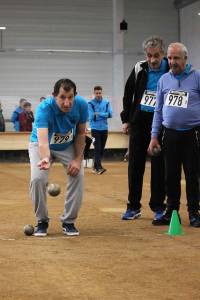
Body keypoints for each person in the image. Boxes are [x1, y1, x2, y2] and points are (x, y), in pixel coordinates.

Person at [149, 42, 200, 227]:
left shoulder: (197, 77)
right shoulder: (163, 80)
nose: (172, 62)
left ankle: (194, 212)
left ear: (185, 59)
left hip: (192, 134)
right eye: (169, 58)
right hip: (169, 134)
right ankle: (171, 212)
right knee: (170, 175)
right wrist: (154, 136)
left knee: (192, 175)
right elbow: (158, 110)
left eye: (176, 58)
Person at [29, 78, 88, 236]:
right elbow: (42, 142)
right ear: (54, 95)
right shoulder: (44, 108)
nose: (67, 102)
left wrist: (77, 159)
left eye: (70, 97)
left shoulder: (82, 105)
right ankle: (42, 221)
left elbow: (81, 134)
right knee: (37, 179)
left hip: (67, 144)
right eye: (62, 97)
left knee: (78, 174)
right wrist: (46, 159)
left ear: (75, 96)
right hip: (41, 144)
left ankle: (68, 221)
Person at [121, 36, 169, 224]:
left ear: (162, 53)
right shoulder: (139, 68)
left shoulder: (169, 69)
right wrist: (126, 120)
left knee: (159, 166)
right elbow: (128, 94)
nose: (152, 60)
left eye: (156, 55)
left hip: (161, 125)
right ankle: (133, 206)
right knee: (135, 166)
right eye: (149, 56)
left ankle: (158, 206)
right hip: (139, 123)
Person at [88, 86, 112, 174]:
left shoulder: (106, 102)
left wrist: (99, 114)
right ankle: (98, 168)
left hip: (104, 129)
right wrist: (103, 114)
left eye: (99, 93)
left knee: (101, 148)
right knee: (97, 148)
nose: (98, 95)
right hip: (95, 129)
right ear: (94, 93)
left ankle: (95, 166)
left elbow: (110, 114)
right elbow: (91, 117)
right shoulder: (90, 103)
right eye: (96, 93)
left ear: (102, 93)